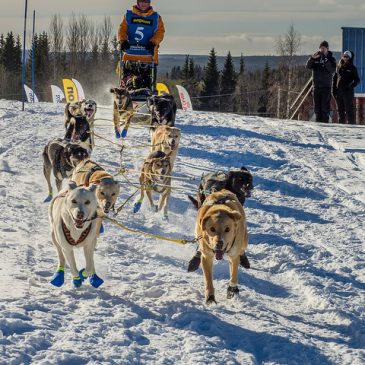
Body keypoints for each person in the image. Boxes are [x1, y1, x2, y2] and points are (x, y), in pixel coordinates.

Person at [118, 0, 165, 88]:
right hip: (130, 56)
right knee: (127, 83)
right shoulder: (129, 16)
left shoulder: (156, 18)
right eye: (142, 1)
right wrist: (123, 40)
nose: (144, 4)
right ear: (138, 2)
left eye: (146, 2)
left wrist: (153, 42)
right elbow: (122, 29)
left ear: (149, 3)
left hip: (149, 58)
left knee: (148, 85)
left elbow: (160, 32)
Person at [306, 41, 336, 123]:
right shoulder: (316, 58)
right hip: (316, 86)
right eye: (321, 48)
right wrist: (312, 58)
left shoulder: (331, 58)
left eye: (324, 48)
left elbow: (332, 70)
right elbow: (308, 66)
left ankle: (325, 124)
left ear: (327, 49)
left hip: (326, 87)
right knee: (317, 108)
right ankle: (318, 123)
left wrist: (326, 61)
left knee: (324, 108)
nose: (322, 50)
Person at [333, 51, 360, 124]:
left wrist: (351, 86)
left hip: (348, 92)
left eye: (347, 56)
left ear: (350, 58)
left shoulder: (352, 68)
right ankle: (341, 126)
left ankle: (351, 125)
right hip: (339, 92)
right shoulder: (339, 67)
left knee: (349, 110)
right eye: (344, 56)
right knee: (340, 110)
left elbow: (357, 80)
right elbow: (335, 79)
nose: (345, 58)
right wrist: (334, 90)